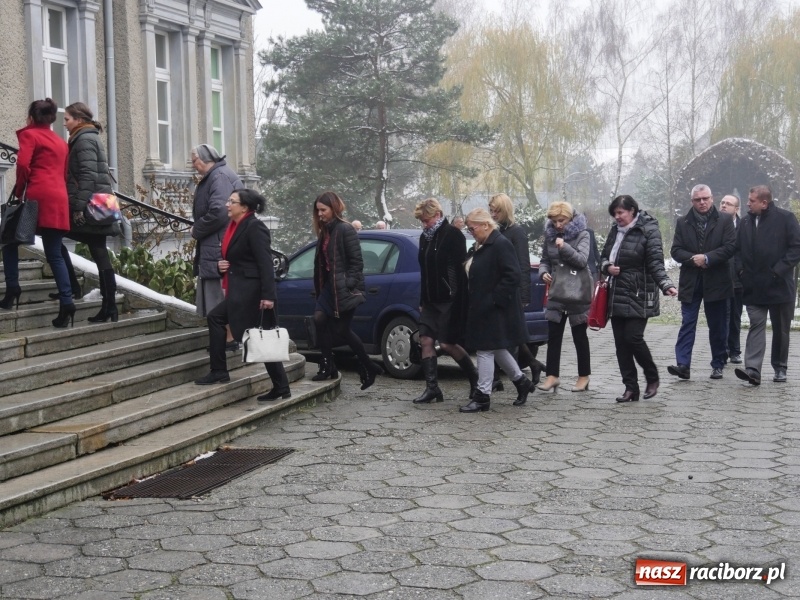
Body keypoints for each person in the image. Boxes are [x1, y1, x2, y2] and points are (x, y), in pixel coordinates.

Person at [195, 189, 291, 400]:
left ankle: (279, 386)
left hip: (253, 293)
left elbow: (265, 263)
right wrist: (223, 265)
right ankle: (221, 370)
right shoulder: (235, 226)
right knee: (221, 320)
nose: (227, 205)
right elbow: (239, 258)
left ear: (245, 207)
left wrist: (268, 296)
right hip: (241, 289)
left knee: (263, 336)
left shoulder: (255, 227)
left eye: (232, 202)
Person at [1, 99, 74, 327]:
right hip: (58, 198)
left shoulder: (30, 135)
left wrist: (21, 190)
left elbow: (23, 165)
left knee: (9, 241)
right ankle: (67, 302)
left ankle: (13, 288)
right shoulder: (61, 142)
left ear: (31, 116)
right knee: (54, 253)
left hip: (36, 196)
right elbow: (63, 173)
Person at [600, 195, 677, 402]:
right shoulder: (615, 230)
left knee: (633, 338)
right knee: (620, 344)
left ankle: (652, 377)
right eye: (614, 214)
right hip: (616, 293)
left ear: (632, 210)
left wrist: (666, 284)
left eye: (620, 213)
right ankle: (630, 388)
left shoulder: (648, 230)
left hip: (639, 293)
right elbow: (603, 256)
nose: (617, 217)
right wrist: (607, 267)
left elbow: (655, 263)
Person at [460, 208, 534, 412]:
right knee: (497, 348)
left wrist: (494, 300)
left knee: (484, 349)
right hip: (485, 307)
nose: (471, 232)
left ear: (485, 225)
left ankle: (482, 396)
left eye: (472, 228)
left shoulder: (500, 244)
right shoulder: (483, 245)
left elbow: (513, 275)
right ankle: (521, 382)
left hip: (494, 308)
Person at [311, 191, 383, 390]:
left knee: (342, 329)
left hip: (345, 288)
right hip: (329, 288)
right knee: (319, 319)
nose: (320, 214)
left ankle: (368, 365)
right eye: (318, 211)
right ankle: (327, 365)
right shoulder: (324, 231)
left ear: (334, 209)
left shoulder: (345, 229)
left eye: (323, 210)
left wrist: (349, 283)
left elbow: (356, 261)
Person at [412, 198, 479, 404]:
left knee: (448, 343)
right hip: (430, 300)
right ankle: (432, 388)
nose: (424, 224)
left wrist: (458, 297)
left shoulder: (453, 235)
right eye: (422, 221)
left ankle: (475, 379)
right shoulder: (425, 238)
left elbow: (461, 270)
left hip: (449, 299)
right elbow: (424, 271)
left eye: (426, 220)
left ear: (437, 215)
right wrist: (423, 299)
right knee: (425, 340)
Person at [668, 185, 735, 381]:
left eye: (705, 198)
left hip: (717, 280)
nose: (702, 202)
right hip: (691, 281)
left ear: (712, 198)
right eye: (698, 200)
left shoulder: (724, 220)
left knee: (718, 325)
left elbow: (730, 247)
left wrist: (707, 258)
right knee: (688, 323)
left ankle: (718, 364)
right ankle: (683, 365)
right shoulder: (683, 222)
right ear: (692, 202)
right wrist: (693, 259)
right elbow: (676, 250)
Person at [734, 185, 800, 385]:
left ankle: (780, 367)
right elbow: (737, 250)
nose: (747, 203)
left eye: (751, 200)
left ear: (764, 202)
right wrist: (741, 271)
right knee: (756, 325)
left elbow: (796, 247)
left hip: (779, 285)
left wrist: (777, 270)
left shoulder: (786, 219)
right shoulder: (745, 222)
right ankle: (753, 369)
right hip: (754, 286)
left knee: (781, 328)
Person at [60, 102, 119, 324]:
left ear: (78, 119)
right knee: (99, 253)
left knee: (56, 237)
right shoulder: (87, 136)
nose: (64, 123)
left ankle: (107, 305)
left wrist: (77, 206)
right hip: (97, 205)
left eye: (67, 119)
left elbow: (87, 175)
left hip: (90, 207)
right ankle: (109, 307)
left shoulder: (83, 139)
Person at [488, 193, 543, 384]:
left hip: (512, 291)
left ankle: (502, 377)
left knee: (506, 335)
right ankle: (531, 365)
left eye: (497, 211)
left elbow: (523, 264)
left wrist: (524, 294)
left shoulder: (516, 232)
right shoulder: (494, 231)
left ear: (506, 211)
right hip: (496, 290)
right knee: (504, 333)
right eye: (491, 210)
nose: (493, 214)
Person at [538, 201, 593, 393]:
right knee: (554, 335)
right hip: (557, 291)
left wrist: (564, 247)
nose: (558, 225)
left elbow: (581, 260)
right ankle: (552, 376)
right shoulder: (550, 235)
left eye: (561, 220)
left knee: (579, 335)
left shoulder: (583, 234)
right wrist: (543, 272)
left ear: (570, 218)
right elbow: (545, 259)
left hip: (576, 290)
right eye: (554, 221)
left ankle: (583, 376)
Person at [191, 144, 241, 325]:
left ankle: (225, 341)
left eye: (194, 161)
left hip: (219, 245)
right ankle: (222, 340)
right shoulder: (216, 175)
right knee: (217, 301)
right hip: (217, 243)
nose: (193, 166)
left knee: (219, 301)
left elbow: (219, 211)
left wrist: (197, 229)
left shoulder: (218, 176)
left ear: (205, 158)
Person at [719, 194, 743, 364]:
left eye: (728, 204)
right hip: (720, 278)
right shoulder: (714, 225)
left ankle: (734, 350)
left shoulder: (745, 226)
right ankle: (722, 350)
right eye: (722, 203)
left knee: (735, 315)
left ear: (736, 209)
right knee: (721, 316)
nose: (724, 206)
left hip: (739, 279)